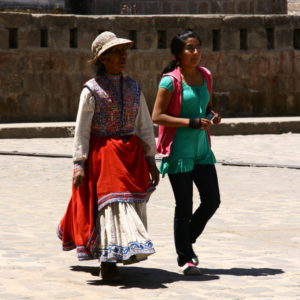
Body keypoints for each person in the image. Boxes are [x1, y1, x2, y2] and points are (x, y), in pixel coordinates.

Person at [57, 31, 159, 281]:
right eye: (116, 52)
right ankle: (108, 259)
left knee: (128, 203)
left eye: (124, 52)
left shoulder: (134, 87)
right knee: (112, 205)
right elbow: (81, 129)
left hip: (130, 155)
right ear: (103, 58)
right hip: (104, 157)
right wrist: (79, 164)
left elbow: (144, 124)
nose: (123, 56)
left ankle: (122, 251)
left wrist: (150, 158)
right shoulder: (91, 91)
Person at [152, 30, 221, 275]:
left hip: (202, 149)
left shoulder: (206, 76)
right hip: (179, 151)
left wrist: (212, 115)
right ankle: (186, 258)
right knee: (184, 205)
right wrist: (190, 122)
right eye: (190, 48)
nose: (195, 53)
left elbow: (205, 105)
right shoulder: (169, 81)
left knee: (212, 200)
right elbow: (157, 116)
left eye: (198, 47)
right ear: (178, 54)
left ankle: (186, 239)